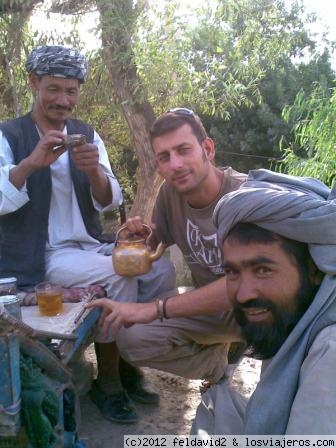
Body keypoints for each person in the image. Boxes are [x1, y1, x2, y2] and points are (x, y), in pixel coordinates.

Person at [0, 45, 175, 424]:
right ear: (34, 83)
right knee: (121, 273)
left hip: (88, 245)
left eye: (71, 91)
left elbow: (108, 199)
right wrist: (30, 164)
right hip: (41, 256)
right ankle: (108, 381)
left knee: (160, 271)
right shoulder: (8, 136)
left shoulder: (85, 134)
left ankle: (130, 362)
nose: (63, 100)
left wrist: (95, 171)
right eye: (54, 89)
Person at [87, 108, 246, 385]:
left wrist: (157, 308)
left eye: (183, 150)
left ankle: (251, 352)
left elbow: (243, 285)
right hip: (210, 307)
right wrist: (135, 238)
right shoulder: (171, 193)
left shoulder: (244, 197)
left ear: (207, 149)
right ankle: (215, 365)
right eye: (164, 157)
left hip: (259, 312)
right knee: (132, 339)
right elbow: (155, 242)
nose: (175, 164)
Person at [191, 169, 336, 435]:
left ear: (314, 269)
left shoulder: (330, 352)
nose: (244, 294)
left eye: (263, 270)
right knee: (215, 405)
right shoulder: (295, 320)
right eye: (232, 272)